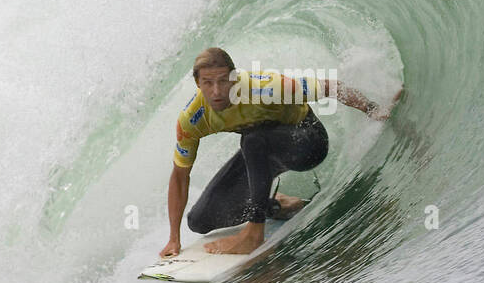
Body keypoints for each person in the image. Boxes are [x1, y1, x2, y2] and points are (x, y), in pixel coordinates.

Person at [161, 47, 401, 257]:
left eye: (224, 81)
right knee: (200, 221)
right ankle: (274, 205)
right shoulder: (192, 119)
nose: (217, 91)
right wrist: (174, 238)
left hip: (307, 143)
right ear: (197, 83)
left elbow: (329, 88)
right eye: (208, 83)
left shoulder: (264, 87)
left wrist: (373, 109)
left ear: (234, 78)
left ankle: (254, 233)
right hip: (262, 153)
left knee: (252, 140)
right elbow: (180, 176)